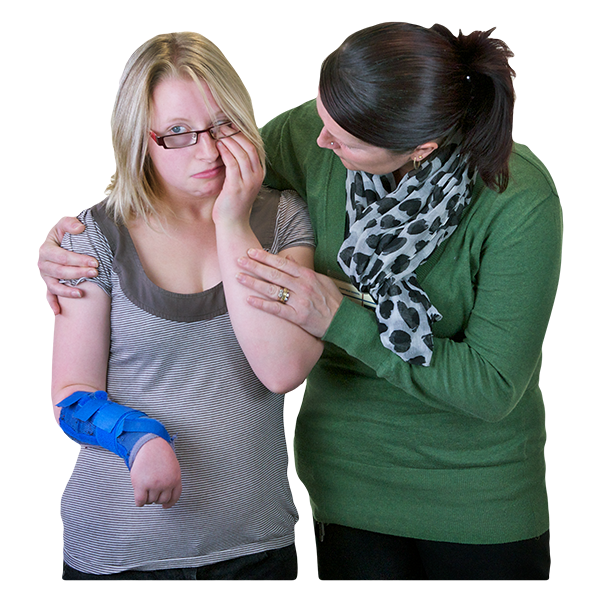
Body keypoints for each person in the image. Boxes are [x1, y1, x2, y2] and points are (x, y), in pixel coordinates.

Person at [40, 23, 561, 579]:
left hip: (477, 499)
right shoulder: (316, 134)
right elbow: (195, 170)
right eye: (322, 116)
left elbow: (492, 387)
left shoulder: (517, 198)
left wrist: (340, 318)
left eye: (343, 140)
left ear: (420, 148)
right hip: (344, 491)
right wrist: (73, 242)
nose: (320, 142)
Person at [47, 31, 323, 580]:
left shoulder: (283, 219)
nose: (209, 149)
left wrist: (231, 220)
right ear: (138, 140)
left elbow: (282, 369)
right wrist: (138, 438)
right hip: (119, 550)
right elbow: (70, 398)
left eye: (223, 125)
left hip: (256, 546)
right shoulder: (92, 237)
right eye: (177, 133)